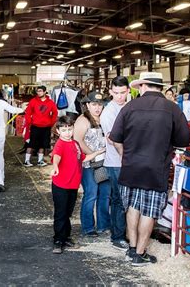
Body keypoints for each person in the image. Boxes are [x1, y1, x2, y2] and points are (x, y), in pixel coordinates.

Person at [109, 72, 190, 266]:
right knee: (149, 211)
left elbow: (115, 137)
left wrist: (123, 155)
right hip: (156, 169)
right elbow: (184, 140)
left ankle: (131, 249)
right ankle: (139, 254)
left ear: (144, 86)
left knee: (133, 207)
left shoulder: (129, 107)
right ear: (160, 87)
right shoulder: (172, 109)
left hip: (130, 167)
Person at [50, 116, 100, 254]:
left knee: (68, 213)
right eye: (64, 130)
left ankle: (66, 237)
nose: (67, 132)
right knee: (61, 213)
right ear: (58, 131)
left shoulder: (75, 144)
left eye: (69, 129)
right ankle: (58, 240)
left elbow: (84, 158)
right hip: (61, 185)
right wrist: (55, 166)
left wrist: (99, 152)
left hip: (72, 185)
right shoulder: (60, 144)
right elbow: (56, 157)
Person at [100, 76, 130, 251]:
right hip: (115, 161)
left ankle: (125, 232)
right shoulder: (109, 112)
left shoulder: (129, 106)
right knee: (119, 199)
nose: (119, 96)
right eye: (116, 93)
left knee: (128, 199)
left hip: (129, 160)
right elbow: (113, 138)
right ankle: (117, 236)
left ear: (128, 91)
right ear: (110, 92)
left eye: (123, 92)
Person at [73, 91, 108, 239]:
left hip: (105, 162)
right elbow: (78, 140)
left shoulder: (105, 118)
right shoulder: (83, 120)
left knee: (105, 195)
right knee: (91, 194)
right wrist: (92, 155)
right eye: (94, 104)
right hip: (88, 164)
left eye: (100, 104)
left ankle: (103, 225)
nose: (97, 108)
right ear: (87, 105)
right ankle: (88, 227)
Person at [23, 85, 58, 167]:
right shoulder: (33, 101)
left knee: (43, 144)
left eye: (40, 91)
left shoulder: (50, 102)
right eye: (38, 91)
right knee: (31, 144)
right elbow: (28, 112)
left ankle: (40, 160)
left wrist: (51, 123)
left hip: (46, 127)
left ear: (45, 92)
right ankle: (26, 160)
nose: (39, 93)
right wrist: (30, 122)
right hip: (35, 126)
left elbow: (55, 113)